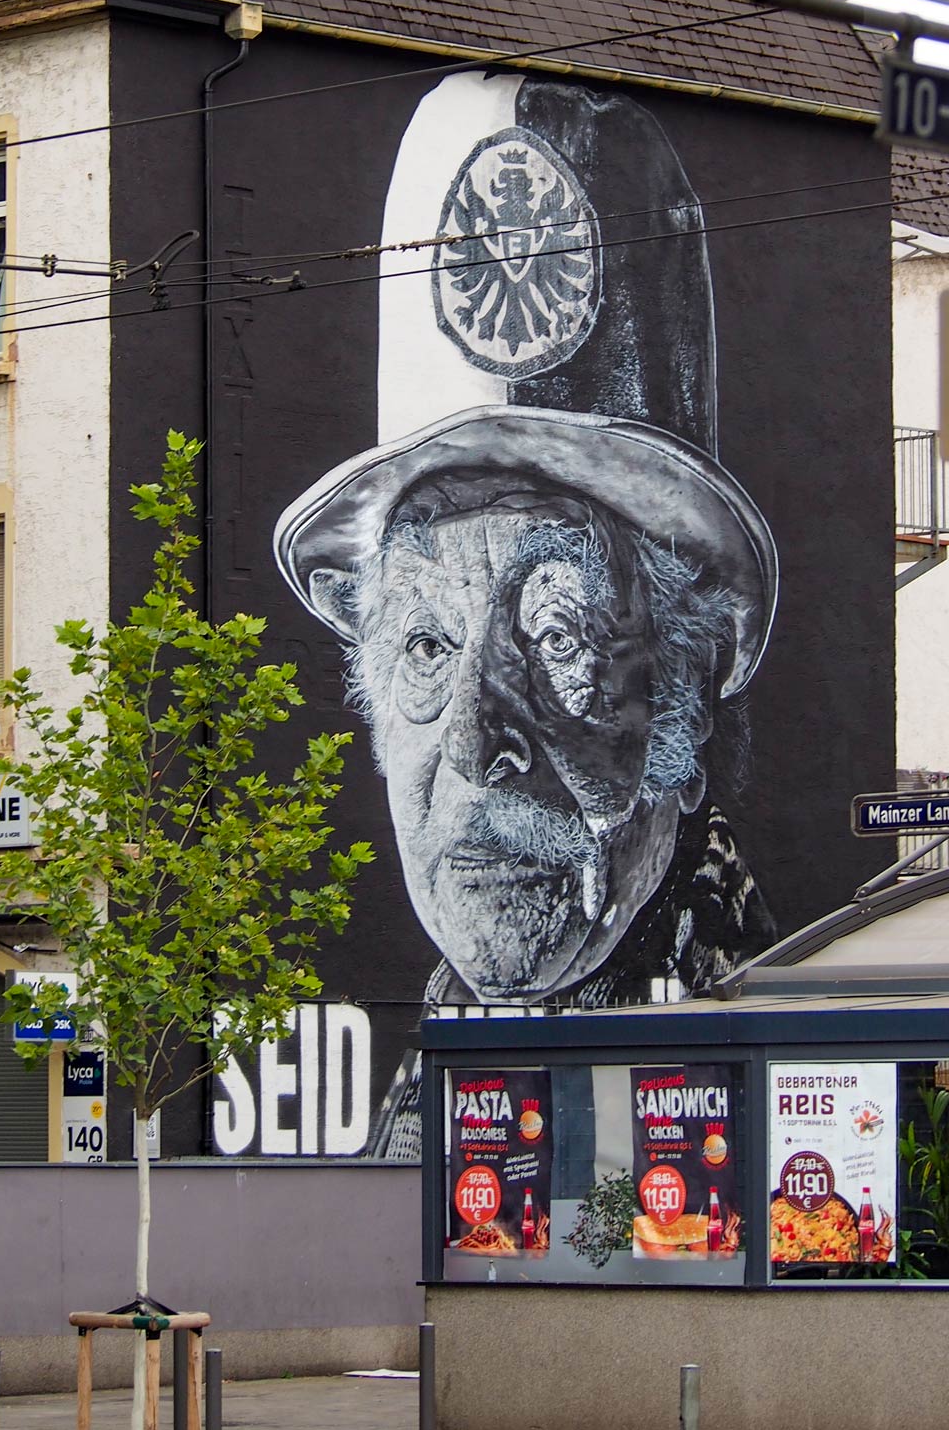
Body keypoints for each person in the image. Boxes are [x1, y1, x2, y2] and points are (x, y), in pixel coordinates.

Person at [276, 70, 781, 1023]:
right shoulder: (429, 1089)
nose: (474, 745)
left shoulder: (761, 1039)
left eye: (559, 639)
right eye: (427, 646)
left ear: (695, 678)